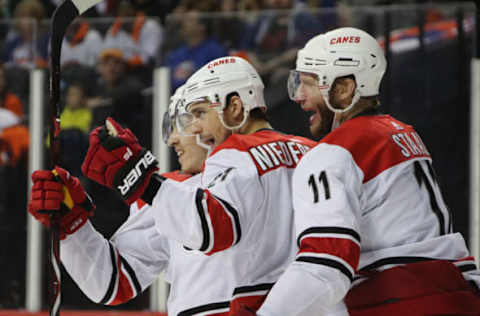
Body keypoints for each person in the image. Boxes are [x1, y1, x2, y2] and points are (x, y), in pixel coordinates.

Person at [237, 27, 480, 316]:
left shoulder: (333, 153)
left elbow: (324, 266)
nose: (299, 96)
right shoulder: (403, 132)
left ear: (343, 89)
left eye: (309, 83)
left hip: (403, 299)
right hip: (461, 290)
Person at [79, 56, 317, 312]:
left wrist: (143, 181)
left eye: (197, 115)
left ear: (235, 106)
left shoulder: (233, 157)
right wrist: (73, 231)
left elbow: (213, 227)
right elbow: (111, 282)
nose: (187, 132)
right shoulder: (312, 152)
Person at [27, 87, 242, 315]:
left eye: (187, 122)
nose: (172, 140)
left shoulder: (271, 168)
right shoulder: (169, 193)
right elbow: (113, 281)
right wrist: (73, 227)